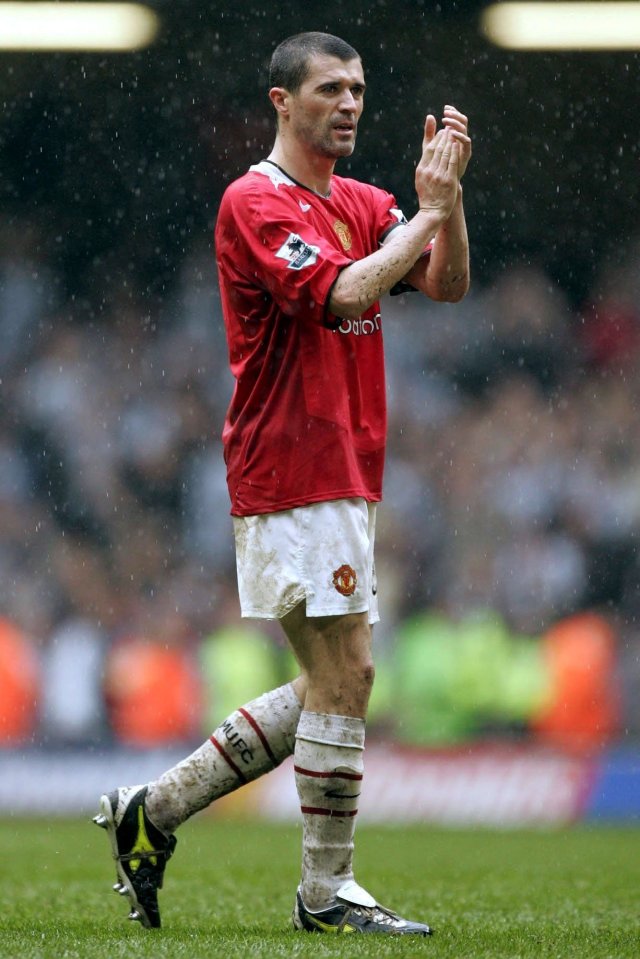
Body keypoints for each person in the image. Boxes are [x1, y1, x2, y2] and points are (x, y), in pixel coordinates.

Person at [94, 31, 471, 936]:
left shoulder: (368, 199)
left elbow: (447, 283)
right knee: (351, 672)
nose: (350, 105)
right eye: (331, 89)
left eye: (360, 91)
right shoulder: (253, 201)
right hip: (288, 462)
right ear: (281, 102)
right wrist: (420, 215)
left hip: (347, 463)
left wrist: (445, 205)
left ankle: (155, 808)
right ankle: (324, 893)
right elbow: (343, 293)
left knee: (329, 680)